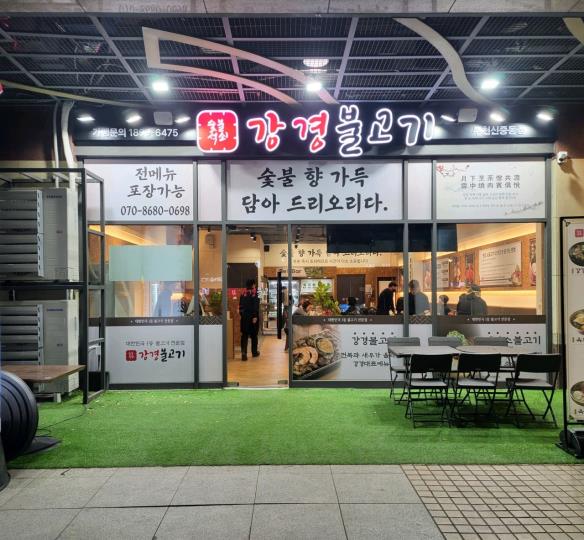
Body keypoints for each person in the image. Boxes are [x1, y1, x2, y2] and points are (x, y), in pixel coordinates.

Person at [239, 278, 260, 361]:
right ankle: (254, 352)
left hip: (244, 318)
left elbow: (240, 306)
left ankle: (244, 353)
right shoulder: (255, 293)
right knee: (254, 335)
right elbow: (255, 306)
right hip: (252, 318)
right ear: (253, 285)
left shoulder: (243, 293)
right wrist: (255, 316)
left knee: (244, 335)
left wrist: (242, 315)